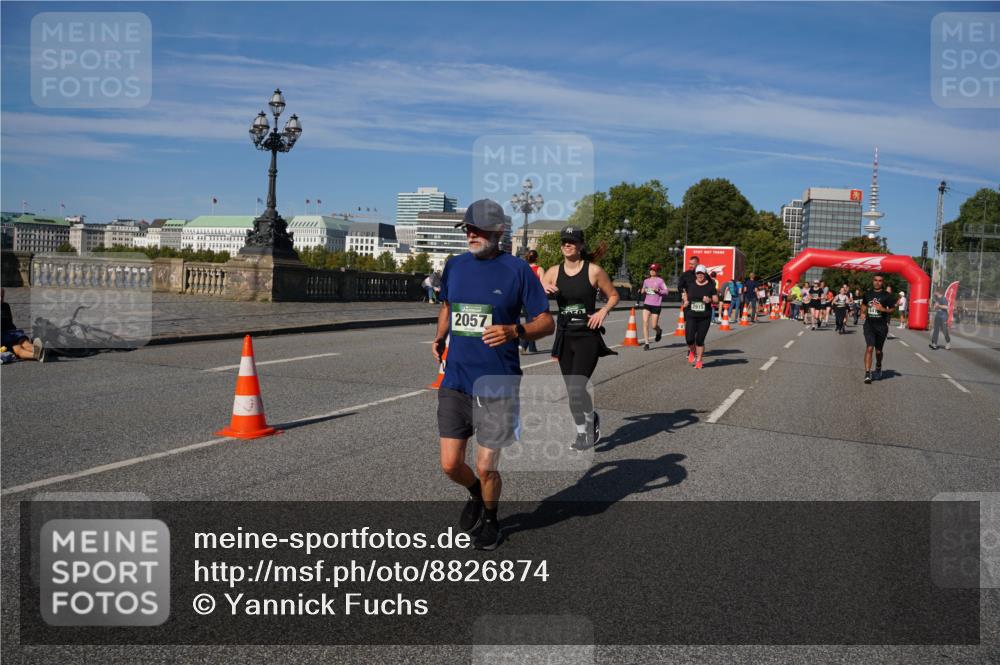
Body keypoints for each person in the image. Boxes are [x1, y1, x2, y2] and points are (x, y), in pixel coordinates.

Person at [432, 199, 555, 550]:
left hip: (498, 382)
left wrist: (515, 331)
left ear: (498, 231)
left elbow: (547, 322)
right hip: (455, 380)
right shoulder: (454, 266)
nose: (471, 234)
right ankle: (473, 493)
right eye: (468, 228)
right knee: (450, 465)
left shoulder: (517, 270)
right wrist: (440, 336)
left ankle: (491, 519)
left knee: (487, 466)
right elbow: (447, 306)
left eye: (478, 229)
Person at [543, 226, 619, 450]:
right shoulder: (553, 271)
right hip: (565, 335)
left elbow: (613, 295)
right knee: (571, 391)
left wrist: (602, 311)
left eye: (572, 241)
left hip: (587, 336)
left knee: (577, 386)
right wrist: (541, 287)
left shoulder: (593, 271)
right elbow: (532, 292)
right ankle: (585, 427)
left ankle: (586, 432)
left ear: (580, 245)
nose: (567, 244)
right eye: (564, 241)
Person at [859, 274, 895, 384]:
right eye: (875, 280)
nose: (877, 282)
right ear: (872, 281)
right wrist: (862, 313)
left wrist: (883, 309)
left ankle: (878, 365)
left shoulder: (887, 295)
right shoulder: (868, 294)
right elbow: (864, 305)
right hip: (869, 325)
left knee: (878, 351)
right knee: (869, 348)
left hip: (881, 327)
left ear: (882, 282)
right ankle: (867, 373)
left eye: (880, 281)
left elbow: (892, 309)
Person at [681, 265, 719, 369]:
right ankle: (692, 351)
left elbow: (716, 300)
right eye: (698, 273)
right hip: (691, 315)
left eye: (702, 273)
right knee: (689, 339)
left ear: (705, 274)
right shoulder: (691, 285)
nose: (700, 275)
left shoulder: (710, 286)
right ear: (696, 274)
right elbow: (685, 295)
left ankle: (699, 360)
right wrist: (685, 301)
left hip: (704, 317)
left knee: (699, 340)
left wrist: (710, 300)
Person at [1, 288, 45, 361]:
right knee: (18, 349)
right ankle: (38, 355)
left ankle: (39, 351)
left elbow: (9, 322)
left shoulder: (5, 306)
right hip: (2, 338)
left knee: (25, 343)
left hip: (12, 333)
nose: (0, 299)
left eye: (2, 296)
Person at [638, 263, 668, 350]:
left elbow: (666, 291)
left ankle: (659, 331)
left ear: (657, 271)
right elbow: (643, 290)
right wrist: (642, 290)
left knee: (654, 326)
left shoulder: (660, 281)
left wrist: (658, 290)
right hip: (647, 304)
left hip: (656, 305)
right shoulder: (646, 281)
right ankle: (647, 343)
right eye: (651, 269)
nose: (652, 271)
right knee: (645, 323)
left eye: (654, 270)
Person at [520, 250, 544, 354]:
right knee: (532, 323)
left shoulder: (523, 269)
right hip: (535, 298)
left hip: (523, 299)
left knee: (530, 321)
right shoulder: (539, 269)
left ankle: (532, 348)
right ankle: (522, 344)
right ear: (537, 258)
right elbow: (543, 285)